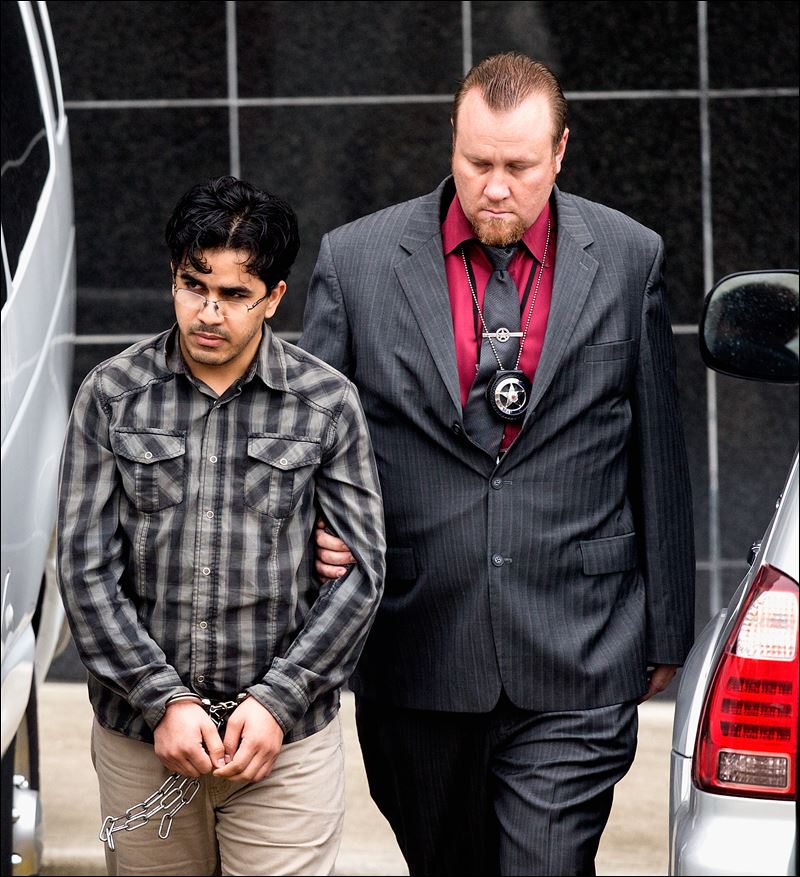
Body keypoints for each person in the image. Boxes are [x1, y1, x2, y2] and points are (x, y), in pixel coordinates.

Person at [300, 53, 695, 876]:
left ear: (559, 153)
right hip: (417, 643)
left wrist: (668, 622)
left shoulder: (630, 256)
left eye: (519, 166)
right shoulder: (357, 261)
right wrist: (313, 534)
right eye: (478, 162)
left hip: (579, 644)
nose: (496, 186)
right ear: (452, 143)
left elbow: (657, 443)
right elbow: (308, 446)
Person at [56, 175, 385, 876]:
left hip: (283, 749)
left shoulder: (326, 404)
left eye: (235, 294)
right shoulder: (111, 396)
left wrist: (277, 702)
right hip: (142, 745)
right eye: (192, 284)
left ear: (273, 298)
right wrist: (163, 700)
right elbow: (85, 572)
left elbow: (359, 577)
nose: (208, 311)